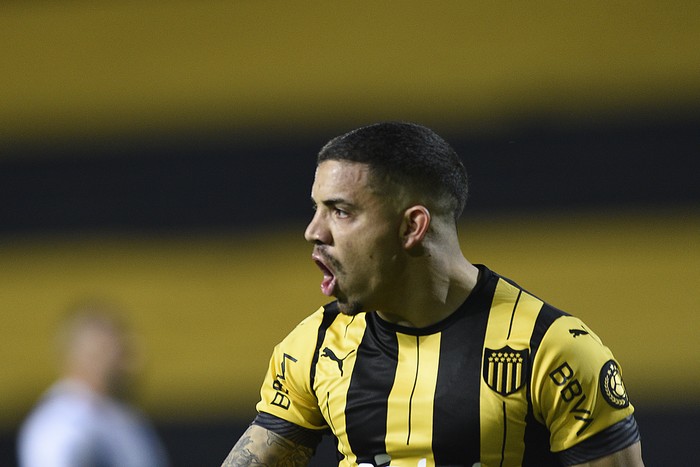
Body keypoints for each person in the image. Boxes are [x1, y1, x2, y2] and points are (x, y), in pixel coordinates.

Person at [221, 122, 644, 466]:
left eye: (341, 211)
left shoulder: (553, 351)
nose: (314, 231)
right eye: (316, 209)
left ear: (412, 227)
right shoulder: (314, 347)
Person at [18, 300, 170, 467]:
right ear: (90, 355)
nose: (132, 363)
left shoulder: (122, 416)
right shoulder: (58, 422)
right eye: (118, 351)